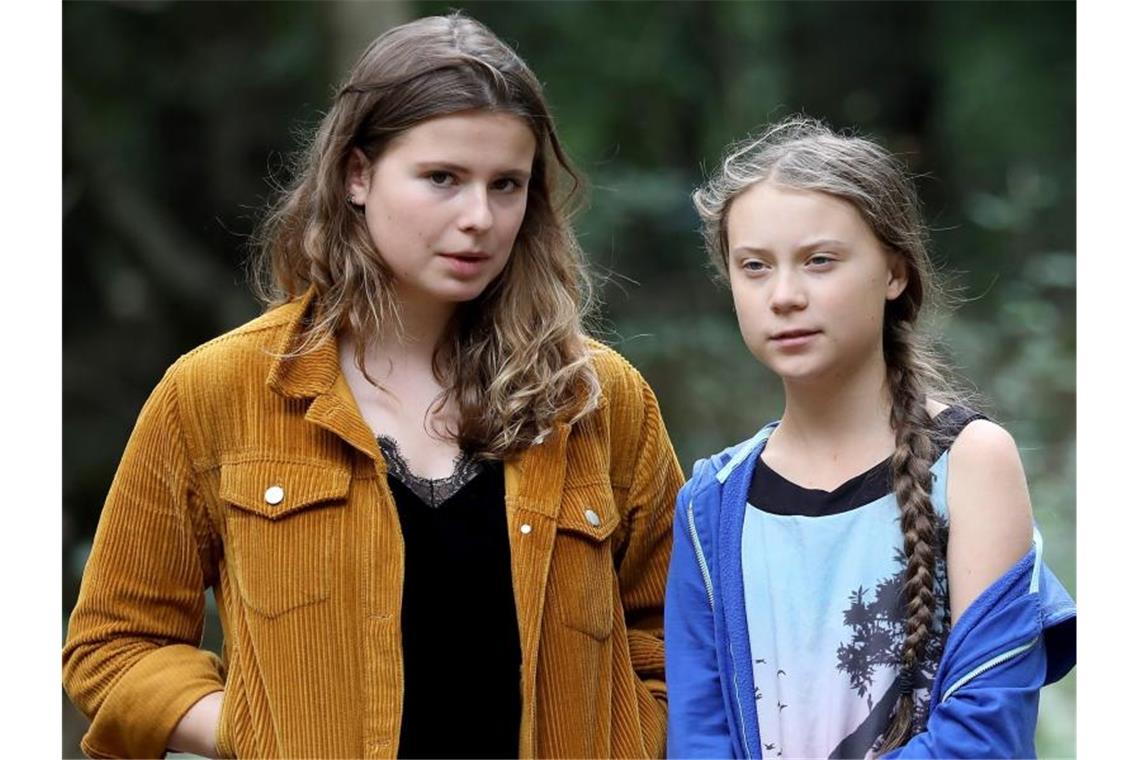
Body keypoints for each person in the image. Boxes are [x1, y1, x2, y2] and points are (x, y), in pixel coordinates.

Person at [63, 13, 683, 759]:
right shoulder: (220, 391)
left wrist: (635, 733)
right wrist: (254, 729)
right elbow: (114, 644)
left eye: (506, 185)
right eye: (442, 179)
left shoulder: (594, 398)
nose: (479, 218)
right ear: (357, 175)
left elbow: (679, 638)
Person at [664, 117, 1075, 759]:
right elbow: (699, 738)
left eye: (819, 261)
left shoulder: (970, 463)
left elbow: (983, 738)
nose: (785, 296)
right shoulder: (710, 504)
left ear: (894, 272)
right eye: (754, 267)